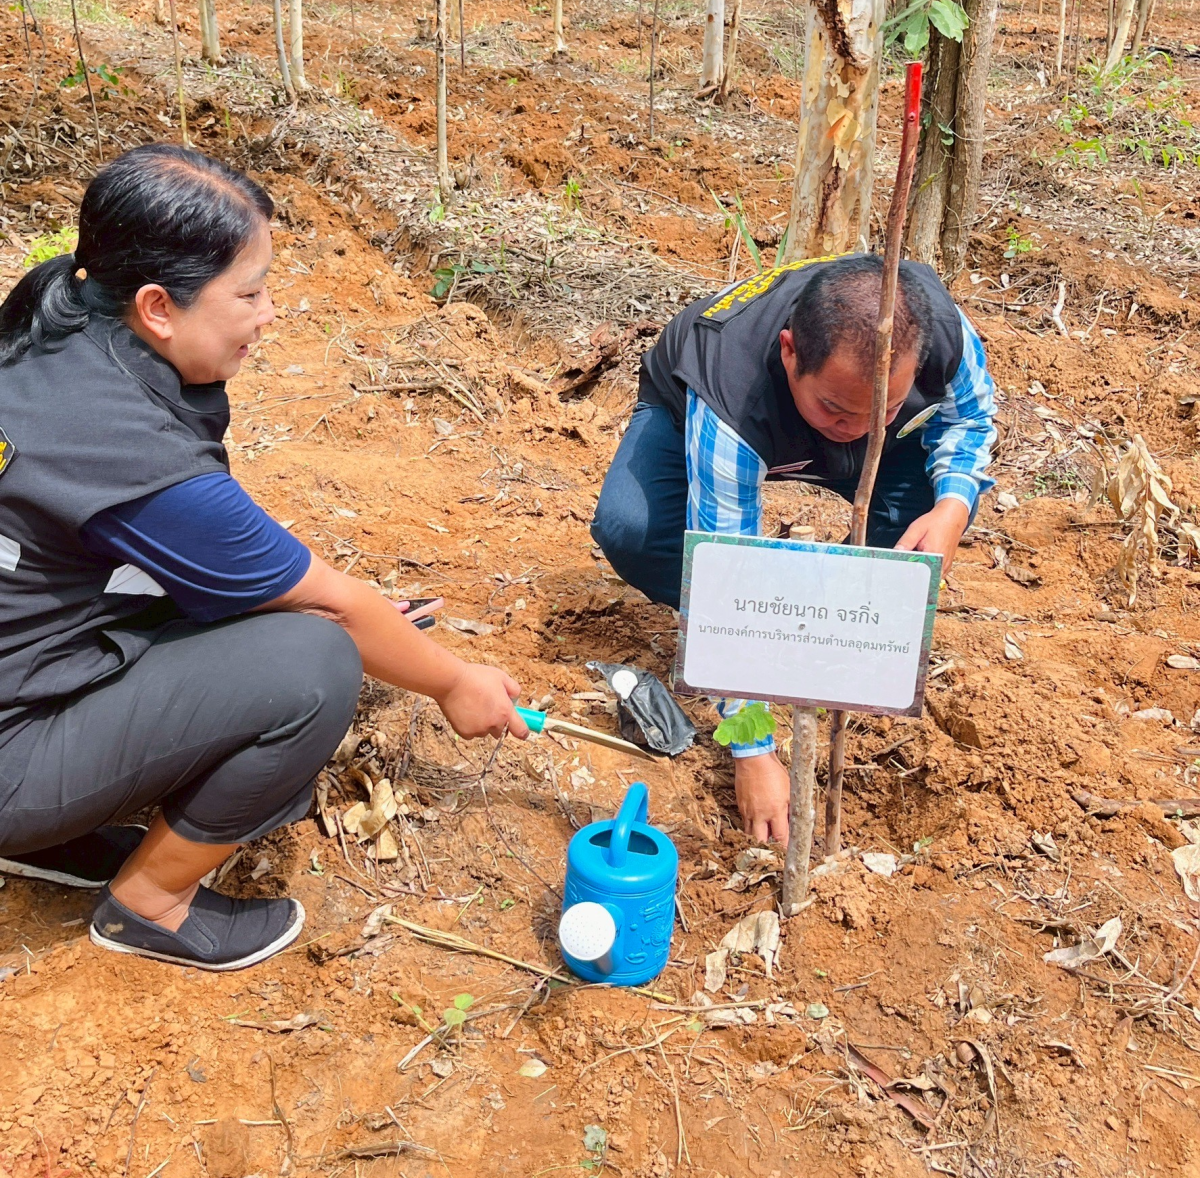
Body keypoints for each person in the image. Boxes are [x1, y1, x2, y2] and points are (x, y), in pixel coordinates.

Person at [0, 144, 528, 972]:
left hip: (25, 666)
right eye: (249, 293)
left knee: (294, 617)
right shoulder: (128, 446)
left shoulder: (61, 316)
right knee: (313, 662)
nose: (269, 313)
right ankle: (150, 903)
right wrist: (456, 681)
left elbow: (215, 553)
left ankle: (60, 831)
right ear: (157, 306)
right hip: (11, 749)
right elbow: (333, 609)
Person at [591, 253, 996, 843]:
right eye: (834, 406)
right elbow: (721, 572)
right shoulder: (729, 388)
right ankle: (778, 623)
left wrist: (953, 506)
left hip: (891, 451)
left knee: (909, 552)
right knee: (632, 528)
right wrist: (751, 747)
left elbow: (971, 420)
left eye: (882, 405)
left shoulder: (936, 331)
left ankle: (820, 620)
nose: (857, 425)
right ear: (788, 352)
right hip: (706, 412)